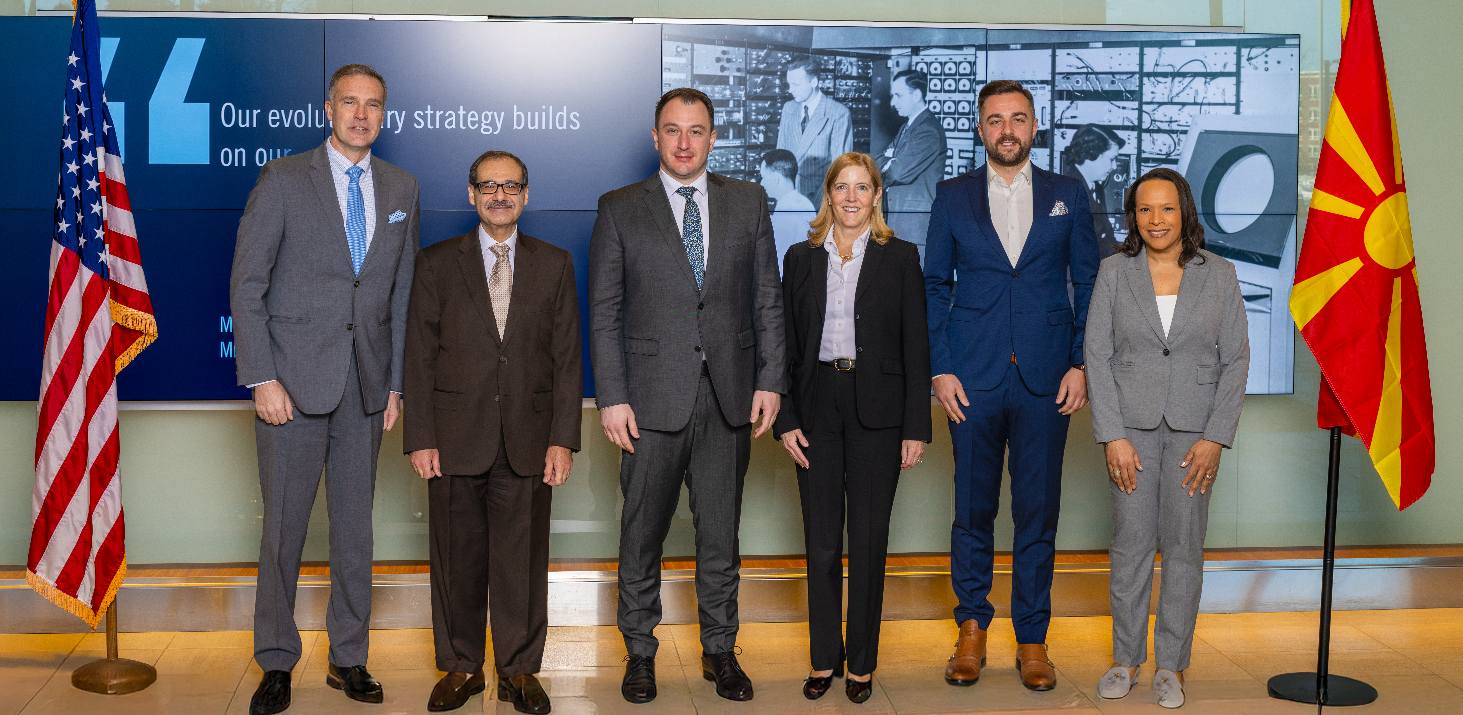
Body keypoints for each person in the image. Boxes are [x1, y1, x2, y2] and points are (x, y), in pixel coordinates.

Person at [230, 63, 418, 715]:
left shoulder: (402, 186)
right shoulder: (283, 179)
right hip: (290, 385)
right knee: (283, 531)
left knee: (355, 531)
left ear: (384, 114)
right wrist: (262, 377)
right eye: (349, 103)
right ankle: (276, 660)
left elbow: (399, 294)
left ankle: (349, 657)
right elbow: (247, 284)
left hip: (365, 386)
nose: (361, 115)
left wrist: (394, 383)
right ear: (327, 110)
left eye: (373, 105)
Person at [589, 87, 786, 705]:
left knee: (720, 535)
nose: (683, 142)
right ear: (655, 137)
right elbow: (604, 311)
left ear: (713, 138)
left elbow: (767, 299)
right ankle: (639, 653)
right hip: (648, 402)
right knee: (641, 534)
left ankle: (720, 650)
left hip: (730, 396)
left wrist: (770, 380)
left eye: (696, 130)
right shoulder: (620, 207)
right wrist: (612, 396)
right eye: (672, 130)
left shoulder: (748, 201)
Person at [924, 79, 1099, 692]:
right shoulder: (952, 196)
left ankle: (1032, 639)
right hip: (971, 379)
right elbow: (934, 285)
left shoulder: (1066, 194)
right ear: (980, 129)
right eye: (995, 120)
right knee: (972, 512)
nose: (1007, 130)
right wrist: (941, 369)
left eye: (1018, 118)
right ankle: (971, 630)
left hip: (1047, 381)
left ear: (1034, 126)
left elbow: (1089, 283)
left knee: (1037, 513)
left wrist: (1080, 363)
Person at [403, 150, 581, 714]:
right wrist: (420, 436)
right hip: (454, 439)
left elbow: (567, 360)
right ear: (471, 194)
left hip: (529, 440)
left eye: (510, 186)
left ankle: (519, 670)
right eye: (488, 186)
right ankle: (461, 667)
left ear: (526, 195)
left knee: (521, 563)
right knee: (457, 561)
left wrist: (562, 438)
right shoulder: (436, 264)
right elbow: (418, 358)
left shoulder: (554, 264)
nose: (499, 195)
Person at [1085, 168, 1248, 709]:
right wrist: (1112, 435)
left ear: (1185, 213)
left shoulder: (1219, 274)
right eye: (1145, 209)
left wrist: (1215, 437)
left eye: (1167, 209)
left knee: (1184, 549)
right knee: (1130, 546)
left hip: (1194, 434)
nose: (1156, 220)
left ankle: (1172, 666)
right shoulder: (1113, 271)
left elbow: (1236, 360)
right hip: (1129, 432)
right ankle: (1125, 659)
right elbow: (1097, 356)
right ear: (1133, 216)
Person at [774, 152, 930, 704]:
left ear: (877, 196)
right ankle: (824, 658)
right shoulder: (800, 258)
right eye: (842, 187)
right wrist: (786, 418)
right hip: (816, 405)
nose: (851, 197)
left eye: (862, 188)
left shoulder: (901, 258)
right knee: (821, 544)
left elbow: (916, 345)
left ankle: (861, 664)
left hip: (878, 414)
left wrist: (916, 427)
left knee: (867, 543)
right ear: (828, 194)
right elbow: (785, 345)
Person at [880, 69, 947, 259]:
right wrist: (889, 161)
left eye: (898, 95)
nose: (893, 102)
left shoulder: (928, 130)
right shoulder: (907, 126)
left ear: (916, 95)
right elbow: (881, 158)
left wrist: (891, 161)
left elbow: (897, 172)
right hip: (900, 219)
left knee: (915, 276)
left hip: (916, 226)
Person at [777, 58, 853, 207]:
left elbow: (840, 169)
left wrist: (818, 205)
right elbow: (779, 156)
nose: (790, 90)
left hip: (818, 200)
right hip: (789, 198)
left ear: (814, 82)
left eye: (796, 84)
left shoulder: (838, 113)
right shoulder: (788, 108)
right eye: (789, 84)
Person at [1060, 124, 1127, 258]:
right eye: (1112, 159)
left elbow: (1105, 239)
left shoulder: (1095, 186)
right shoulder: (1068, 193)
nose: (1114, 166)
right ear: (1091, 154)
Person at [759, 148, 817, 261]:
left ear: (776, 178)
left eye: (764, 177)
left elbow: (778, 260)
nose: (762, 183)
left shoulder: (786, 210)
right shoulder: (803, 202)